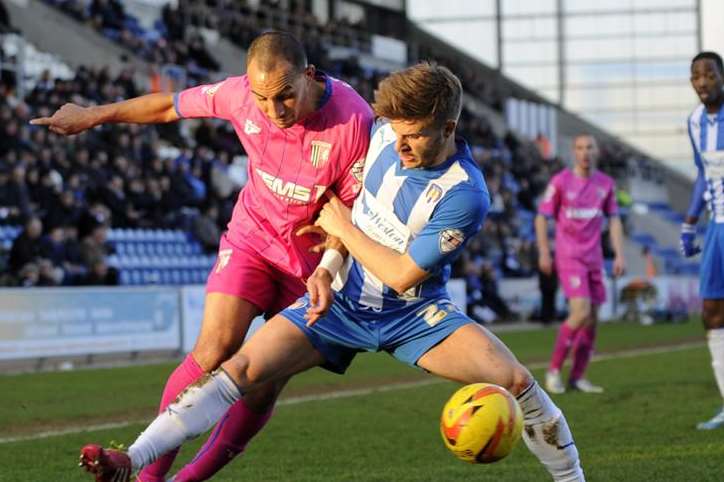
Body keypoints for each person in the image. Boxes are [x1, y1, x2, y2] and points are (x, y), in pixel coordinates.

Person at [79, 62, 585, 482]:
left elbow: (402, 273)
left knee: (517, 381)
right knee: (239, 370)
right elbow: (352, 221)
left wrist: (342, 226)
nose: (401, 146)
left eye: (415, 136)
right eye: (397, 133)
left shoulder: (464, 194)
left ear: (449, 129)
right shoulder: (382, 137)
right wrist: (326, 266)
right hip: (338, 304)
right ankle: (133, 460)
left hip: (414, 316)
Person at [34, 31, 373, 481]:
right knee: (212, 349)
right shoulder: (238, 96)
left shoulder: (353, 121)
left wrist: (329, 269)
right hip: (252, 240)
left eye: (285, 97)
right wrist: (93, 115)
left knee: (260, 387)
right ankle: (147, 476)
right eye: (262, 99)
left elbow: (348, 219)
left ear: (308, 75)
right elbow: (166, 105)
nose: (274, 112)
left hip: (309, 268)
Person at [535, 134, 625, 394]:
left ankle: (577, 377)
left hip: (594, 258)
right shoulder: (561, 182)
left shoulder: (606, 184)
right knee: (581, 312)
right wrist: (544, 251)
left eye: (590, 148)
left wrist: (619, 254)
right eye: (580, 148)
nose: (585, 152)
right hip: (569, 256)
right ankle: (553, 371)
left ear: (597, 152)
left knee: (592, 320)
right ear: (573, 152)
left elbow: (615, 220)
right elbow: (542, 218)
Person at [681, 51, 724, 430]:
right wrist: (689, 224)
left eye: (709, 74)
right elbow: (701, 175)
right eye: (696, 76)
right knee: (711, 313)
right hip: (717, 228)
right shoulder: (695, 122)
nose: (703, 81)